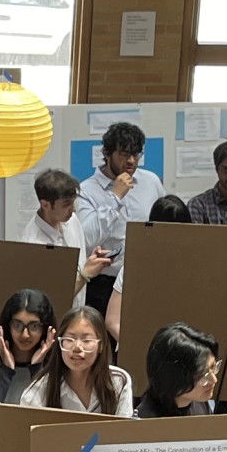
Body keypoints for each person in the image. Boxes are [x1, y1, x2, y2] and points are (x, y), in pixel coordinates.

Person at [73, 120, 161, 316]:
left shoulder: (151, 182)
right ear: (106, 153)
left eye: (136, 154)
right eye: (124, 153)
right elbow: (87, 239)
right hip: (103, 285)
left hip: (143, 281)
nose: (131, 160)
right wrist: (115, 196)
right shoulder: (86, 191)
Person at [22, 305, 135, 415]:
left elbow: (124, 431)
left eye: (86, 340)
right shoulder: (40, 388)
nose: (77, 347)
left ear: (100, 346)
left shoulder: (118, 381)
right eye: (70, 339)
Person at [21, 169, 101, 309]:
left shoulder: (72, 220)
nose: (73, 209)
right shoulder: (33, 243)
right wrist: (85, 275)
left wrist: (91, 261)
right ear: (45, 205)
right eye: (66, 205)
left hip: (77, 312)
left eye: (73, 202)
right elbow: (51, 298)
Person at [0, 289, 57, 403]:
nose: (25, 334)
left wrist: (37, 369)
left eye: (34, 326)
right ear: (7, 326)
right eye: (17, 325)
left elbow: (48, 413)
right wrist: (7, 371)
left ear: (45, 329)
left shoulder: (57, 367)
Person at [137, 321, 220, 417]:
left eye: (213, 367)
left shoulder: (199, 402)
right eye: (203, 375)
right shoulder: (147, 421)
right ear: (175, 378)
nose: (214, 380)